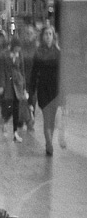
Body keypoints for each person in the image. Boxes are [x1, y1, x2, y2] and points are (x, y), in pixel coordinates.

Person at [29, 25, 61, 156]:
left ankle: (49, 140)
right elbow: (34, 72)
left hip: (55, 90)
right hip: (43, 89)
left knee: (52, 120)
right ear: (42, 36)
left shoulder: (58, 52)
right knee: (47, 117)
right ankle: (48, 143)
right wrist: (31, 89)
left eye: (50, 34)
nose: (48, 36)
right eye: (46, 34)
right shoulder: (38, 52)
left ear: (53, 37)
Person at [0, 37, 27, 142]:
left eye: (19, 48)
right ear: (13, 46)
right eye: (17, 48)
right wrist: (1, 85)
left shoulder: (20, 55)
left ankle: (15, 133)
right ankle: (5, 123)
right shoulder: (4, 55)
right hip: (8, 84)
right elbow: (1, 71)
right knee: (9, 107)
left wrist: (24, 88)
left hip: (18, 84)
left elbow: (22, 71)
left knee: (16, 108)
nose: (18, 50)